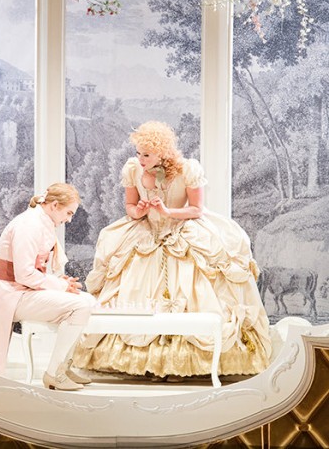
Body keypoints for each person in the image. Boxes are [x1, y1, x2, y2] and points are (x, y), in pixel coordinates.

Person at [71, 121, 271, 380]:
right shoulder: (133, 170)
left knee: (193, 290)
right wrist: (138, 211)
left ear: (162, 152)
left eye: (146, 154)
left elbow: (196, 209)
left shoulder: (188, 169)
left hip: (183, 230)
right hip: (146, 233)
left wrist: (167, 211)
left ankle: (185, 364)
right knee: (132, 287)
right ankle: (143, 363)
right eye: (138, 153)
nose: (140, 159)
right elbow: (130, 206)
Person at [0, 183, 98, 390]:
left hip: (26, 290)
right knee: (80, 306)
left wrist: (62, 283)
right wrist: (60, 286)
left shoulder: (42, 223)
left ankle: (63, 366)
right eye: (68, 213)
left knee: (88, 300)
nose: (69, 220)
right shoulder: (28, 225)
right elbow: (24, 274)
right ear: (54, 205)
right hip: (13, 295)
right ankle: (54, 374)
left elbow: (38, 270)